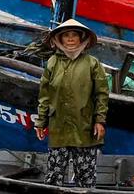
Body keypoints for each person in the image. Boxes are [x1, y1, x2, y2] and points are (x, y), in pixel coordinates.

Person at [34, 18, 109, 187]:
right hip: (58, 126)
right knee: (54, 175)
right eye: (66, 35)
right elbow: (44, 96)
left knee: (86, 176)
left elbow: (101, 95)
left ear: (81, 39)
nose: (70, 39)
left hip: (84, 127)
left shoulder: (92, 64)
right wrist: (40, 122)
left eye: (74, 35)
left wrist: (99, 121)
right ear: (59, 39)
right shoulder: (52, 63)